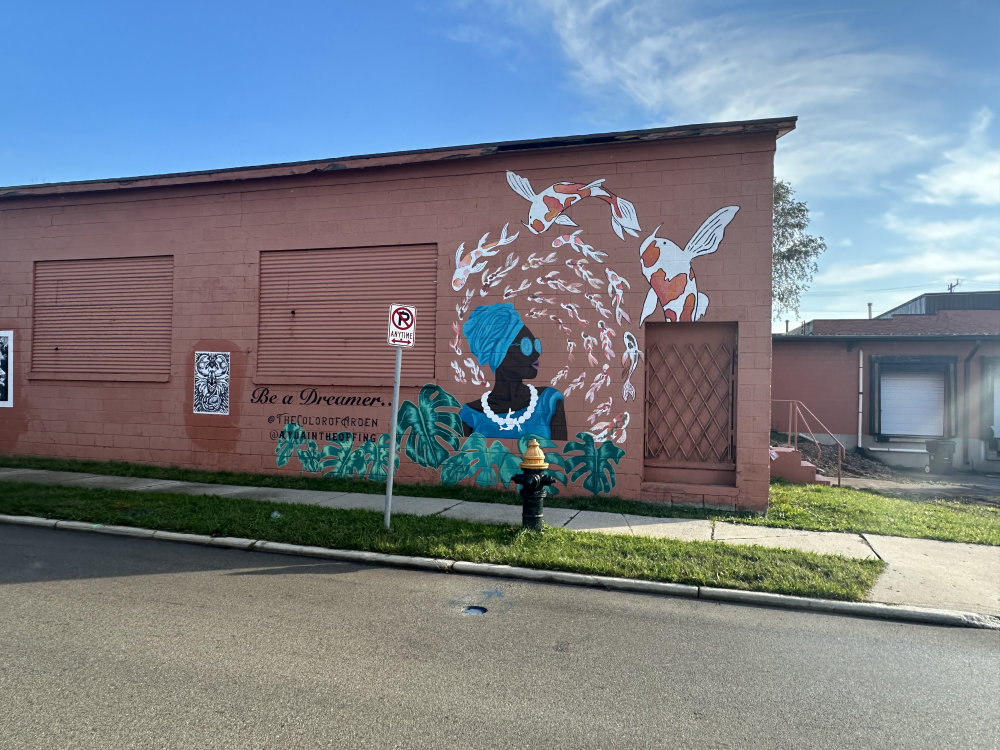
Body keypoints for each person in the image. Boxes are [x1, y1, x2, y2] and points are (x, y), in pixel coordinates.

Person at [460, 303, 566, 440]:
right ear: (499, 354)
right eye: (526, 345)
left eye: (536, 345)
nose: (536, 353)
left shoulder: (549, 401)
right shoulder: (471, 414)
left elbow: (560, 458)